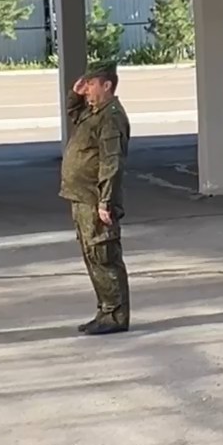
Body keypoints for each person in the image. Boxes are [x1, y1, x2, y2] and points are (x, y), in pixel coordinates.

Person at [61, 61, 132, 336]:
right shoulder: (94, 112)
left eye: (91, 84)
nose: (87, 90)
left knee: (104, 256)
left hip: (95, 199)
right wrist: (75, 93)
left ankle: (115, 315)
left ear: (107, 85)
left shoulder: (111, 117)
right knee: (92, 255)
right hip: (82, 197)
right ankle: (105, 310)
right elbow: (73, 112)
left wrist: (106, 200)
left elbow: (111, 162)